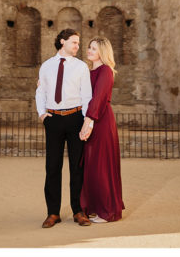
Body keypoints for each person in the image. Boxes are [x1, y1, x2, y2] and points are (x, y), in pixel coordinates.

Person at [35, 28, 93, 228]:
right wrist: (42, 114)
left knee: (77, 167)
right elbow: (41, 91)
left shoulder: (81, 67)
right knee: (52, 167)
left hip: (76, 118)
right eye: (74, 42)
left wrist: (86, 121)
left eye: (78, 43)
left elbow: (87, 96)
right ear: (62, 42)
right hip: (53, 120)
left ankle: (78, 211)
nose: (78, 46)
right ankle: (53, 213)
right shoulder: (46, 66)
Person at [78, 37, 125, 223]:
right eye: (89, 47)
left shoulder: (105, 71)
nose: (89, 51)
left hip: (101, 121)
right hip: (91, 119)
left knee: (101, 166)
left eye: (94, 48)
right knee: (91, 165)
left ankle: (107, 211)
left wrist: (88, 122)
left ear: (102, 52)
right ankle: (93, 206)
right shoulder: (90, 71)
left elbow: (98, 99)